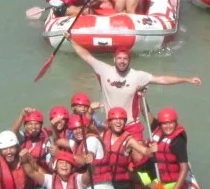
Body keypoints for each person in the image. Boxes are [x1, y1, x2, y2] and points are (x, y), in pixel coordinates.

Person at [70, 44, 201, 127]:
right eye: (119, 58)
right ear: (114, 59)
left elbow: (162, 79)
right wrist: (71, 39)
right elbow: (86, 56)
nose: (122, 61)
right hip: (110, 123)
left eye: (125, 59)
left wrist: (187, 79)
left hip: (131, 125)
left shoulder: (138, 76)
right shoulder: (104, 70)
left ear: (129, 60)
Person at [149, 106, 191, 189]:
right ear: (160, 125)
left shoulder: (178, 141)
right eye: (164, 124)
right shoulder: (158, 129)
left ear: (176, 123)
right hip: (161, 178)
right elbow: (147, 114)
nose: (168, 126)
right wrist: (140, 97)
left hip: (173, 181)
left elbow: (184, 168)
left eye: (171, 123)